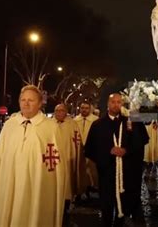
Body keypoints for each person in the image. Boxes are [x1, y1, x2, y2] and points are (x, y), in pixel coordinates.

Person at [0, 85, 66, 226]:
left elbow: (58, 166)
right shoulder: (9, 126)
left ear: (39, 103)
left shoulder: (51, 127)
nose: (26, 103)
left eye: (31, 100)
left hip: (36, 186)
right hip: (9, 184)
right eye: (23, 100)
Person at [84, 93, 147, 226]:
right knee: (106, 205)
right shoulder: (98, 124)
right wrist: (108, 152)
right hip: (106, 172)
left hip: (125, 173)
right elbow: (90, 149)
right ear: (108, 104)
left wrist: (126, 150)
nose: (116, 104)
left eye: (119, 102)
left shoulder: (130, 123)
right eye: (113, 102)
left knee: (122, 206)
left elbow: (139, 143)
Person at [53, 104, 86, 215]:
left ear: (66, 112)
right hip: (54, 161)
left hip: (67, 160)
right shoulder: (49, 124)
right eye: (57, 110)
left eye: (61, 110)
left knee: (67, 186)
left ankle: (66, 209)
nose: (59, 113)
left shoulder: (72, 125)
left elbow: (77, 142)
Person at [74, 101, 99, 195]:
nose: (84, 110)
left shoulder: (95, 120)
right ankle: (81, 189)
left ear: (90, 109)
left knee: (92, 170)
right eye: (82, 108)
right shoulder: (75, 120)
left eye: (86, 108)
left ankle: (92, 187)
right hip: (78, 149)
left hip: (91, 149)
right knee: (80, 170)